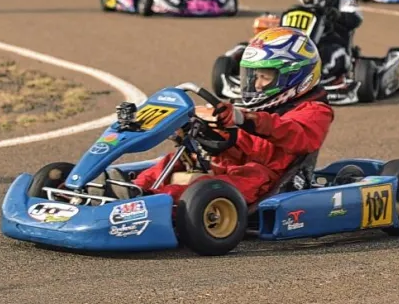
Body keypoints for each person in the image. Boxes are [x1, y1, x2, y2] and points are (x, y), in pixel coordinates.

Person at [133, 27, 334, 205]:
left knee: (208, 187)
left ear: (293, 76)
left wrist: (244, 120)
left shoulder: (315, 111)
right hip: (233, 161)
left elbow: (292, 134)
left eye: (265, 77)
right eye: (254, 76)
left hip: (264, 175)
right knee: (175, 160)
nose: (256, 84)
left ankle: (154, 203)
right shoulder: (262, 105)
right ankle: (134, 190)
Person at [294, 0, 363, 83]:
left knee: (330, 54)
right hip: (302, 48)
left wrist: (337, 16)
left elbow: (356, 18)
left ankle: (317, 80)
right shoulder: (302, 7)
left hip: (332, 43)